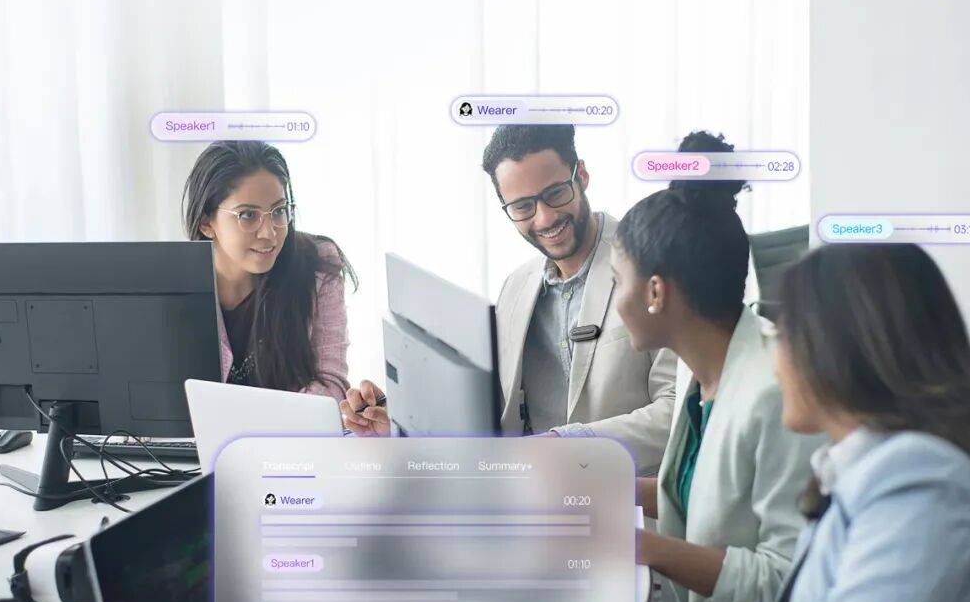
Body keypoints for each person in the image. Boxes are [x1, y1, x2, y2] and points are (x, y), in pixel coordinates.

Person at [584, 244, 970, 602]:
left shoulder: (921, 487)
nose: (774, 361)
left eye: (782, 336)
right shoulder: (873, 469)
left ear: (840, 351)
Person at [343, 125, 677, 476]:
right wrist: (398, 422)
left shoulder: (654, 264)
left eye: (555, 193)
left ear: (581, 175)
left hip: (626, 495)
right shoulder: (517, 287)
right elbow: (490, 417)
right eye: (523, 206)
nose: (545, 218)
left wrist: (568, 444)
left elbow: (677, 412)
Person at [611, 132, 826, 602]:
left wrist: (641, 548)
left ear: (656, 292)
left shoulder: (777, 393)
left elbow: (786, 577)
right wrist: (599, 491)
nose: (615, 300)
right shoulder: (706, 367)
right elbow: (706, 493)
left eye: (618, 281)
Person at [182, 140, 355, 398]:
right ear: (206, 223)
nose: (270, 233)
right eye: (248, 215)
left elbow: (331, 383)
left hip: (293, 425)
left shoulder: (316, 266)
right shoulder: (176, 284)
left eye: (278, 211)